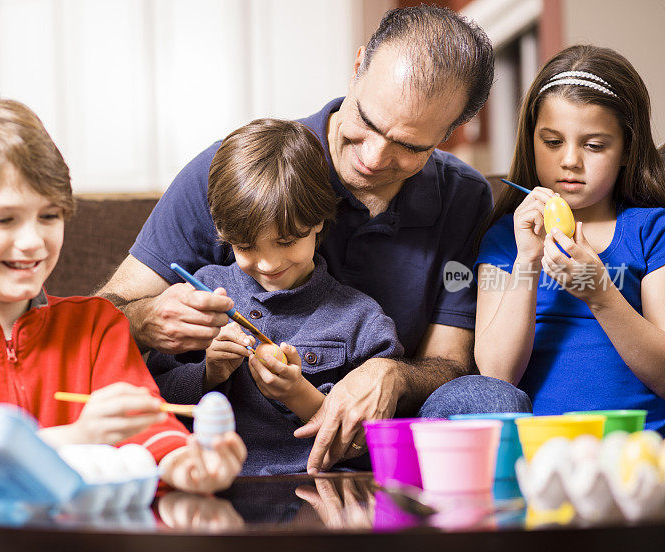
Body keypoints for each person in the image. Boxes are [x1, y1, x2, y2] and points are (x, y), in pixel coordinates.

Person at [99, 5, 530, 473]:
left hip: (384, 443)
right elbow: (100, 317)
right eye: (367, 120)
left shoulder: (463, 197)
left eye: (409, 146)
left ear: (450, 132)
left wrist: (393, 373)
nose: (374, 156)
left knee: (487, 398)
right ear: (357, 66)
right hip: (228, 450)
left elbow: (451, 360)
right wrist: (144, 319)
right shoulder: (245, 170)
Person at [0, 92, 246, 493]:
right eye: (5, 219)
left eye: (49, 216)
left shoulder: (97, 326)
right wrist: (76, 437)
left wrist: (188, 464)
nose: (32, 241)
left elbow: (149, 429)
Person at [147, 119, 402, 475]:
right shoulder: (201, 297)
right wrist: (209, 374)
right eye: (246, 246)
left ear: (318, 221)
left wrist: (297, 393)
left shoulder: (361, 320)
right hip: (213, 485)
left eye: (286, 242)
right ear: (223, 233)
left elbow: (369, 446)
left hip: (316, 491)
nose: (268, 264)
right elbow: (155, 401)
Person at [474, 45, 665, 431]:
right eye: (552, 141)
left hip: (636, 448)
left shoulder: (650, 229)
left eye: (594, 145)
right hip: (537, 452)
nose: (570, 161)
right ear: (531, 140)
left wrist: (599, 292)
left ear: (627, 148)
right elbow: (496, 376)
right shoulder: (506, 239)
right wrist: (527, 260)